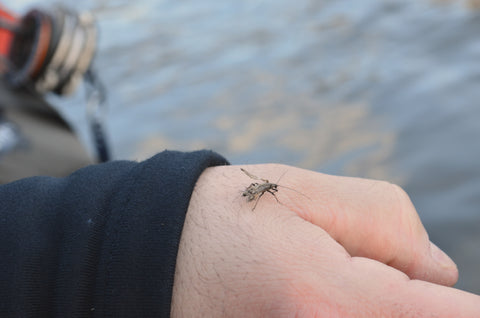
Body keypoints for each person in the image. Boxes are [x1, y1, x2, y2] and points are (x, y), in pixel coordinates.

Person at [0, 150, 479, 317]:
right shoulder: (258, 191)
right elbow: (256, 193)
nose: (266, 188)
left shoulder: (264, 188)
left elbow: (261, 190)